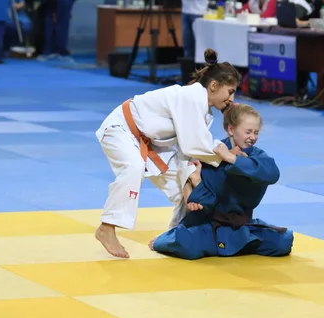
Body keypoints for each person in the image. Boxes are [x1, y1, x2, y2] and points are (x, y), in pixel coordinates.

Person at [95, 48, 242, 259]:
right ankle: (107, 227)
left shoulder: (204, 110)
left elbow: (189, 147)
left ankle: (175, 236)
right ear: (213, 86)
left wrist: (189, 173)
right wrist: (227, 155)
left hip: (152, 145)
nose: (232, 98)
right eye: (230, 91)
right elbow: (194, 144)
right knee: (134, 167)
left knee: (186, 191)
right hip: (122, 129)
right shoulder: (191, 96)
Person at [149, 104, 294, 260]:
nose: (252, 137)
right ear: (231, 130)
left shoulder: (257, 156)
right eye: (248, 132)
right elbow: (205, 202)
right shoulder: (211, 155)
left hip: (241, 226)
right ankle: (167, 238)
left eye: (256, 132)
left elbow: (272, 174)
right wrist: (197, 182)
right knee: (186, 243)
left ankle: (230, 245)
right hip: (210, 227)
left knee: (284, 241)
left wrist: (232, 159)